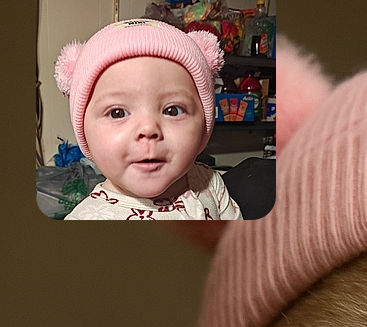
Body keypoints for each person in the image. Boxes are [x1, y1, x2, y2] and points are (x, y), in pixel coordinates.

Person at [54, 19, 243, 220]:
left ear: (205, 122)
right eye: (117, 113)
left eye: (173, 110)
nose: (148, 128)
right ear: (84, 131)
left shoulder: (210, 183)